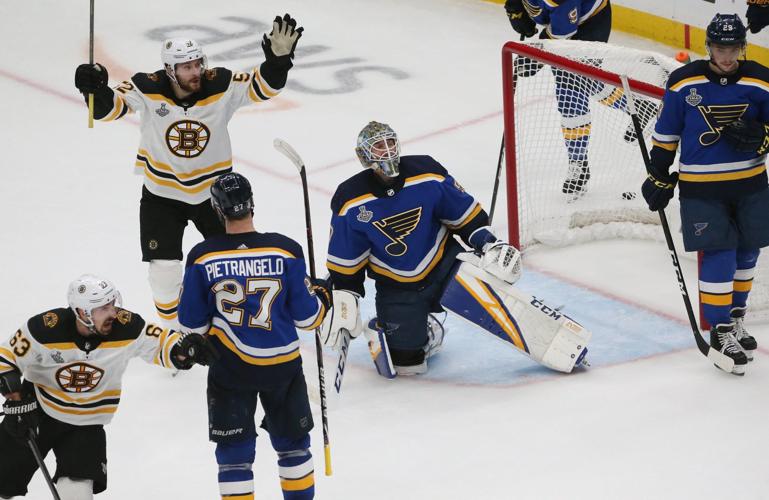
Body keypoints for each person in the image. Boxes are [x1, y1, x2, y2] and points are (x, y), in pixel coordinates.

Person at [73, 15, 303, 329]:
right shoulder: (146, 86)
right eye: (187, 67)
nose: (196, 72)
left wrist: (278, 61)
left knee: (235, 259)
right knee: (164, 272)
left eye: (197, 64)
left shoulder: (220, 83)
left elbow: (264, 88)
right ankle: (177, 333)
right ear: (170, 70)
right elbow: (109, 109)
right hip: (162, 196)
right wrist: (95, 89)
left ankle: (238, 318)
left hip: (214, 196)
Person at [322, 121, 523, 376]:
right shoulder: (350, 200)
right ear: (364, 156)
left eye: (390, 143)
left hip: (445, 267)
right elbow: (347, 259)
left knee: (498, 301)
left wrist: (489, 243)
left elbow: (464, 216)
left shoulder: (426, 173)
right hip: (397, 287)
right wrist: (343, 297)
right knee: (408, 367)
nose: (388, 151)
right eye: (379, 147)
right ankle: (426, 329)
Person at [177, 173, 330, 500]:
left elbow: (192, 326)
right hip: (283, 366)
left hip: (230, 369)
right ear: (251, 205)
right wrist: (323, 295)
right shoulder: (285, 250)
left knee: (234, 454)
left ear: (218, 210)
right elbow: (308, 318)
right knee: (293, 448)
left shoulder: (203, 256)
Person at [0, 274, 212, 499]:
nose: (113, 313)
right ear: (82, 312)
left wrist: (183, 350)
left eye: (112, 304)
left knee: (76, 494)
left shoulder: (128, 326)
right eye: (103, 308)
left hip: (86, 424)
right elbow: (6, 358)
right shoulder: (44, 328)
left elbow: (161, 343)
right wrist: (15, 400)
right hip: (37, 414)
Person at [641, 13, 769, 375]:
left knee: (747, 252)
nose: (726, 56)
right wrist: (659, 173)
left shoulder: (761, 80)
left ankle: (735, 317)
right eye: (719, 48)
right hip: (702, 188)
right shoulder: (684, 82)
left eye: (732, 48)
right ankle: (719, 330)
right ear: (708, 46)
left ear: (743, 47)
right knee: (719, 252)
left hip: (752, 185)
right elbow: (667, 132)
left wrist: (764, 136)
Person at [504, 0, 657, 199]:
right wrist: (515, 7)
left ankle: (578, 163)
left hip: (590, 22)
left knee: (570, 88)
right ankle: (638, 106)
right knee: (585, 82)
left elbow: (560, 33)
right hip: (561, 19)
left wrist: (535, 53)